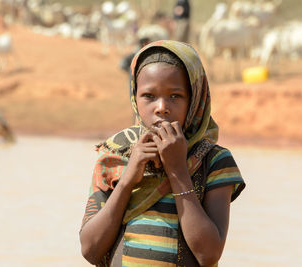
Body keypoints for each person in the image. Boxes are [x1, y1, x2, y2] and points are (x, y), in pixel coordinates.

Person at [79, 40, 245, 266]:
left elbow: (209, 254)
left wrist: (177, 170)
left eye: (175, 96)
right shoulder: (115, 156)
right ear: (135, 98)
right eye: (149, 96)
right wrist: (128, 179)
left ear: (195, 98)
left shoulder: (213, 161)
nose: (161, 107)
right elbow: (90, 250)